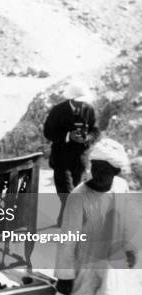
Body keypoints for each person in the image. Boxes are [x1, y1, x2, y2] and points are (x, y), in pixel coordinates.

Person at [47, 138, 137, 295]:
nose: (98, 174)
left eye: (105, 170)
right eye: (95, 168)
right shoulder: (79, 197)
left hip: (110, 268)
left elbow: (126, 219)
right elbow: (67, 240)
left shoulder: (121, 187)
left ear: (116, 171)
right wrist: (65, 276)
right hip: (83, 269)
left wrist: (130, 248)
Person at [43, 82, 100, 226]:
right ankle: (73, 223)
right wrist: (68, 136)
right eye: (77, 102)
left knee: (77, 190)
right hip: (61, 158)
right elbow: (48, 132)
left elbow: (96, 131)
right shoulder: (57, 111)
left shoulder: (89, 109)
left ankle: (65, 219)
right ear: (71, 99)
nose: (80, 105)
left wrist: (87, 138)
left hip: (80, 158)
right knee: (66, 191)